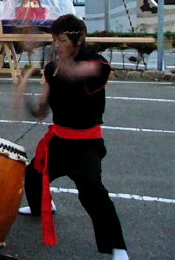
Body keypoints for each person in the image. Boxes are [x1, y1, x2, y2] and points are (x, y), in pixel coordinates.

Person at [18, 14, 128, 259]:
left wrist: (44, 58)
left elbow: (78, 73)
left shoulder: (97, 64)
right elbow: (43, 108)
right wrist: (29, 101)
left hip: (86, 144)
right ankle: (41, 208)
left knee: (92, 190)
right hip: (59, 141)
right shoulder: (52, 68)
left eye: (61, 40)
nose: (56, 45)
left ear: (79, 40)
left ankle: (117, 247)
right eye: (54, 40)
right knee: (33, 173)